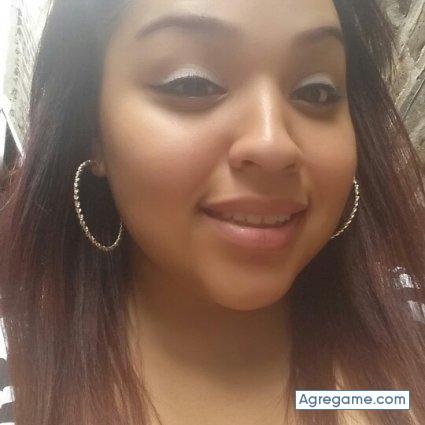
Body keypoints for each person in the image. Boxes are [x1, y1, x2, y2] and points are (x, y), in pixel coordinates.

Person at [0, 0, 424, 424]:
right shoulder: (15, 377)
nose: (273, 144)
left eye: (317, 92)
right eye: (192, 85)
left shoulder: (410, 319)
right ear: (93, 130)